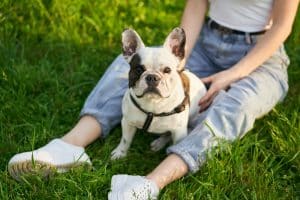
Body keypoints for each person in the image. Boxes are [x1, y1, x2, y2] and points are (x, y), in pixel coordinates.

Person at [8, 0, 299, 199]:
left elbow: (281, 28)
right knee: (133, 66)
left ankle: (150, 183)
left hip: (262, 53)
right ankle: (69, 146)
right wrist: (177, 60)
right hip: (206, 39)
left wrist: (232, 74)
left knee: (236, 107)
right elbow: (197, 5)